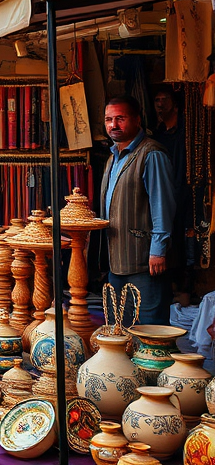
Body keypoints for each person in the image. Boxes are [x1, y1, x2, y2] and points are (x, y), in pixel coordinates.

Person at [102, 96, 175, 325]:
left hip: (145, 262)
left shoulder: (151, 154)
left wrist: (158, 250)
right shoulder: (113, 157)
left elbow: (162, 203)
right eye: (108, 119)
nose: (113, 125)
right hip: (117, 261)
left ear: (137, 120)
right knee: (119, 332)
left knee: (149, 330)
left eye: (120, 119)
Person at [152, 85, 191, 281]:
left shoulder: (185, 132)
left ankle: (184, 282)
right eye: (157, 100)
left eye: (164, 100)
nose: (160, 105)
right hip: (166, 191)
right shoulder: (158, 134)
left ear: (175, 105)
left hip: (183, 189)